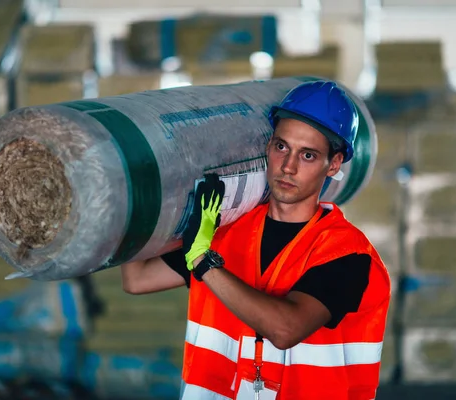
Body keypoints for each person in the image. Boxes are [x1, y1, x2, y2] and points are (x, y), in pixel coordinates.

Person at [120, 79, 391, 400]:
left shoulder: (347, 255)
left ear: (332, 164)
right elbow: (137, 279)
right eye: (281, 147)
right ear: (268, 146)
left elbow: (285, 329)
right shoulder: (225, 231)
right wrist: (139, 192)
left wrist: (204, 264)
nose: (287, 167)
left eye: (307, 156)